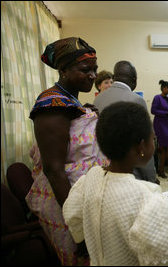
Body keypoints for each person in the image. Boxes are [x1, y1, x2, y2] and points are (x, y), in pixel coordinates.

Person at [63, 101, 168, 265]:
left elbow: (73, 219)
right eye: (152, 138)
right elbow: (163, 257)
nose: (154, 142)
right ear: (141, 147)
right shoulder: (149, 199)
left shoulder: (89, 179)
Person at [25, 37, 109, 265]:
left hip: (77, 199)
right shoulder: (51, 104)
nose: (93, 75)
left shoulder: (69, 101)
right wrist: (78, 227)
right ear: (63, 70)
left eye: (94, 69)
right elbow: (54, 170)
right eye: (85, 70)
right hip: (64, 203)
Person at [94, 60, 159, 185]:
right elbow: (144, 142)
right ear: (134, 79)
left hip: (104, 171)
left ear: (114, 77)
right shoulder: (136, 100)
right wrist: (151, 177)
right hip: (131, 173)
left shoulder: (98, 100)